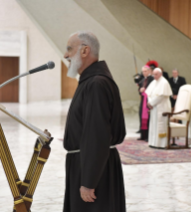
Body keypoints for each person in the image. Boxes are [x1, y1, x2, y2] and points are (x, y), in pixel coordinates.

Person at [63, 31, 126, 212]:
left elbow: (97, 134)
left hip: (94, 169)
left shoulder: (96, 83)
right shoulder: (90, 81)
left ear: (85, 51)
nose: (66, 55)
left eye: (69, 49)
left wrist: (89, 181)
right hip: (87, 163)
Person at [145, 68, 173, 148]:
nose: (154, 76)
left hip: (162, 107)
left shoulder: (164, 83)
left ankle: (161, 144)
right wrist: (150, 102)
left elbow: (161, 96)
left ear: (160, 74)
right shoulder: (154, 82)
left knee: (160, 125)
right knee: (154, 124)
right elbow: (149, 94)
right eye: (153, 74)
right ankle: (153, 143)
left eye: (156, 74)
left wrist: (151, 103)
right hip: (154, 107)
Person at [137, 65, 154, 140]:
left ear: (149, 71)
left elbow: (153, 90)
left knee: (149, 118)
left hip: (149, 101)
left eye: (145, 71)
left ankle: (148, 136)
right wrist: (140, 90)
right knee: (141, 116)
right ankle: (143, 135)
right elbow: (139, 89)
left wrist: (145, 90)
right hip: (143, 100)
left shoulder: (152, 79)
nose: (144, 73)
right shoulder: (143, 79)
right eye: (143, 71)